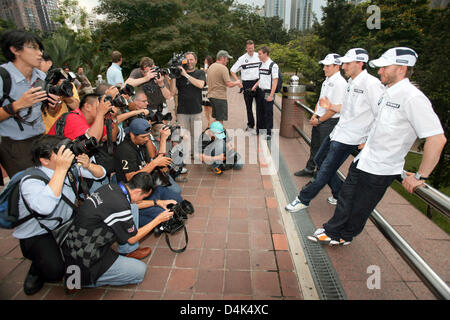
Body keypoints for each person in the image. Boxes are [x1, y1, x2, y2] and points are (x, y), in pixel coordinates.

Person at [308, 47, 446, 246]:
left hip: (382, 167)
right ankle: (335, 230)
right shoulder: (388, 93)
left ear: (401, 69)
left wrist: (420, 176)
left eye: (384, 67)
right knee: (346, 196)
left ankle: (341, 235)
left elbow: (437, 138)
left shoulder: (413, 98)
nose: (379, 71)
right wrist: (366, 139)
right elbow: (377, 121)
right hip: (365, 159)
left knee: (360, 206)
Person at [285, 48, 385, 212]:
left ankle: (303, 199)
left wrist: (368, 139)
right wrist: (330, 106)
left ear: (360, 63)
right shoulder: (351, 82)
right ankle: (338, 193)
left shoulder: (371, 84)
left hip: (351, 137)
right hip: (338, 132)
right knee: (319, 160)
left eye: (347, 63)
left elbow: (379, 114)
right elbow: (345, 107)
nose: (344, 66)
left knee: (325, 168)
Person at [13, 135, 106, 295]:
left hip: (66, 224)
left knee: (98, 236)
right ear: (45, 160)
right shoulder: (30, 180)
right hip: (39, 233)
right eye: (61, 152)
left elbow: (101, 174)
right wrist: (61, 170)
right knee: (54, 271)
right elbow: (45, 208)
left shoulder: (71, 167)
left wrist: (89, 165)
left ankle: (73, 279)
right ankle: (37, 267)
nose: (67, 155)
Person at [62, 172, 174, 288]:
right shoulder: (120, 205)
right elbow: (132, 238)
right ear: (137, 191)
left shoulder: (113, 188)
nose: (142, 199)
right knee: (139, 271)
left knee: (133, 207)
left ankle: (127, 252)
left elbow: (134, 204)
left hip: (78, 242)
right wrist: (158, 219)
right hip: (87, 257)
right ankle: (77, 280)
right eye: (144, 197)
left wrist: (158, 202)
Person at [0, 30, 59, 178]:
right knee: (28, 186)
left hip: (40, 139)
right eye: (33, 47)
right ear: (15, 50)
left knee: (50, 180)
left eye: (40, 48)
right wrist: (17, 105)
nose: (40, 53)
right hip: (16, 145)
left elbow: (50, 112)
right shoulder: (3, 77)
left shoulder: (41, 77)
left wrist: (54, 105)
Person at [113, 118, 183, 226]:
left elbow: (156, 157)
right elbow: (130, 178)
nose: (146, 139)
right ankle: (133, 216)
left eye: (148, 136)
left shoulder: (142, 143)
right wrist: (154, 164)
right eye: (143, 137)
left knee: (178, 200)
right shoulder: (125, 150)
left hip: (150, 186)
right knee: (165, 215)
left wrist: (163, 138)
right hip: (137, 194)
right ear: (132, 134)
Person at [294, 53, 347, 181]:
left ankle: (319, 176)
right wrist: (314, 115)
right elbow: (320, 101)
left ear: (337, 66)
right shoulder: (326, 81)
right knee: (315, 146)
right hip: (320, 119)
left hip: (329, 122)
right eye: (324, 66)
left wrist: (319, 120)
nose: (324, 68)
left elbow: (334, 108)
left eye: (328, 66)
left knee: (324, 152)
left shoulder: (340, 83)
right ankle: (310, 169)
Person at [169, 51, 205, 159]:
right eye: (187, 59)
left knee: (196, 135)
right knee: (184, 135)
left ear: (196, 61)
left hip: (196, 109)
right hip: (182, 110)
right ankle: (185, 154)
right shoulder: (179, 75)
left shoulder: (200, 73)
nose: (189, 62)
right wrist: (174, 76)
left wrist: (186, 75)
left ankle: (196, 153)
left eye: (191, 59)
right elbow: (173, 91)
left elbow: (200, 85)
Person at [230, 40, 261, 132]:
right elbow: (232, 70)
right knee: (249, 107)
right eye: (249, 49)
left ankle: (260, 127)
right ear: (246, 48)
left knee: (259, 106)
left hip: (258, 83)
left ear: (254, 47)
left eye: (252, 48)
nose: (251, 50)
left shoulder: (259, 56)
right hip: (247, 84)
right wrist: (238, 82)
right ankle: (250, 125)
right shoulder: (242, 59)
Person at [206, 50, 242, 124]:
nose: (228, 61)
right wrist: (237, 82)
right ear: (222, 58)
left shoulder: (211, 67)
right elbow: (229, 84)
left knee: (214, 118)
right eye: (227, 58)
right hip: (220, 97)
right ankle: (219, 135)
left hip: (211, 96)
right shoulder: (223, 68)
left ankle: (211, 134)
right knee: (220, 120)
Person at [251, 46, 278, 140]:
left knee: (268, 113)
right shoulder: (260, 64)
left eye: (260, 54)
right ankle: (259, 130)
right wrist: (255, 86)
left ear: (265, 54)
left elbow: (275, 81)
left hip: (268, 92)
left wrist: (271, 95)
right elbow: (261, 78)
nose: (258, 56)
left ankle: (269, 132)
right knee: (259, 111)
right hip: (260, 91)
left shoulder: (273, 65)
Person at [201, 56, 214, 126]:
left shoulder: (212, 69)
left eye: (206, 61)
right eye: (204, 61)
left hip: (209, 90)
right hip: (203, 91)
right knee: (205, 108)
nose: (205, 63)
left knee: (210, 108)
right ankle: (209, 122)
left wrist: (207, 71)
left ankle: (211, 123)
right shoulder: (203, 70)